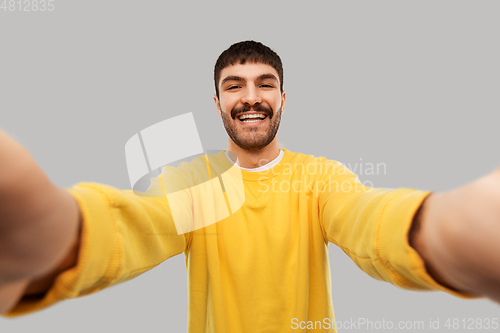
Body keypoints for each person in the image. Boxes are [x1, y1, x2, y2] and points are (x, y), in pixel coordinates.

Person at [0, 40, 499, 332]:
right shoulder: (191, 181)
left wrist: (438, 231)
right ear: (216, 103)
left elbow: (366, 218)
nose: (250, 97)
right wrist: (64, 238)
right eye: (233, 86)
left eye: (264, 83)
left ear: (284, 98)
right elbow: (140, 226)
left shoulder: (319, 177)